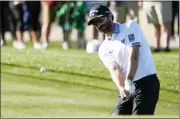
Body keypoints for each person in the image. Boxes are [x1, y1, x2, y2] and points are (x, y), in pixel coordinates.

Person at [88, 5, 160, 115]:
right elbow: (114, 69)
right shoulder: (103, 49)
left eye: (100, 20)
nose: (99, 25)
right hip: (125, 88)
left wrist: (129, 80)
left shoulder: (130, 27)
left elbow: (134, 55)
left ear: (110, 16)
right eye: (95, 23)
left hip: (146, 83)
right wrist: (121, 87)